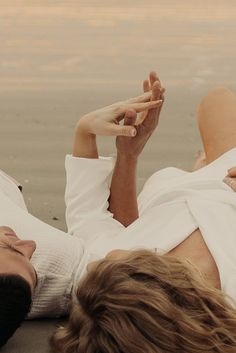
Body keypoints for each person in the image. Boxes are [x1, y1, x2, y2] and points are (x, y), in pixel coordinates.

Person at [50, 74, 236, 352]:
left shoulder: (104, 291)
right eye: (117, 268)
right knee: (218, 101)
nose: (96, 264)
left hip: (178, 192)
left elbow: (90, 218)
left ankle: (200, 167)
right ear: (153, 285)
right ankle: (202, 165)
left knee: (215, 101)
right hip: (225, 179)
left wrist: (96, 136)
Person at [0, 74, 161, 347]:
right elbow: (105, 231)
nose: (28, 245)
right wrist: (95, 138)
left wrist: (86, 131)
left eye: (10, 249)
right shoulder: (70, 275)